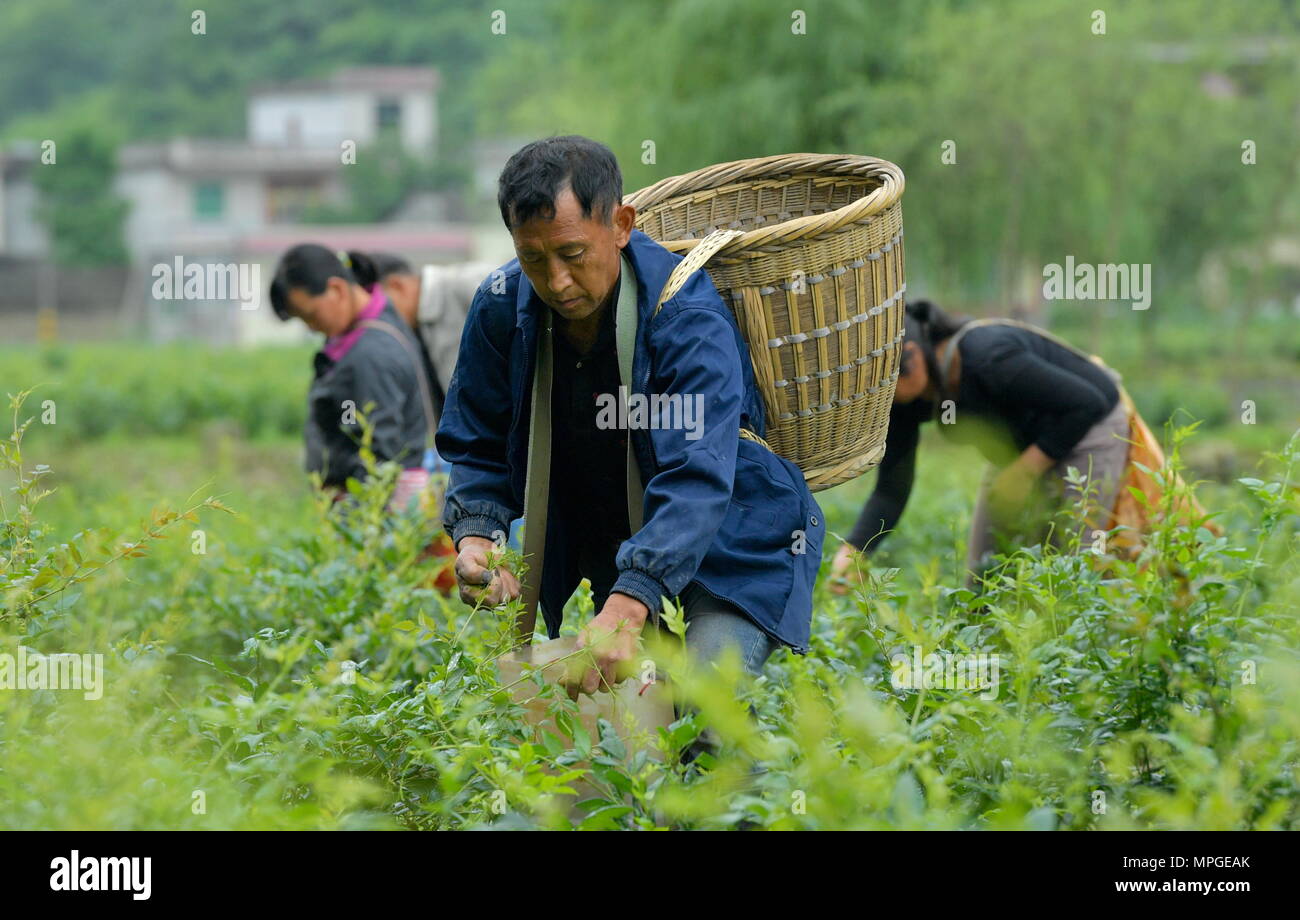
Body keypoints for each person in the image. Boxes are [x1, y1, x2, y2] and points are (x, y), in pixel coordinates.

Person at [436, 135, 825, 700]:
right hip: (621, 541)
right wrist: (477, 534)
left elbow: (696, 475)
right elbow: (478, 444)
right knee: (625, 725)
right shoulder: (501, 307)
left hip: (730, 541)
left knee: (708, 710)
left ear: (621, 225)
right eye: (533, 259)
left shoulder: (684, 316)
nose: (556, 282)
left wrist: (632, 597)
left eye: (572, 254)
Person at [829, 300, 1133, 593]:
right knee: (985, 573)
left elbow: (1087, 403)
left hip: (1089, 429)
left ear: (912, 356)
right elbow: (891, 489)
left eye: (882, 382)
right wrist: (855, 551)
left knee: (1074, 561)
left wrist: (1025, 471)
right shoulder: (905, 399)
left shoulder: (987, 356)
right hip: (1020, 451)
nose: (878, 394)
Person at [269, 244, 455, 593]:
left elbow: (379, 452)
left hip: (384, 508)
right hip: (386, 500)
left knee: (388, 600)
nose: (312, 326)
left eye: (310, 314)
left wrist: (365, 524)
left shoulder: (370, 352)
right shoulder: (375, 324)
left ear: (337, 289)